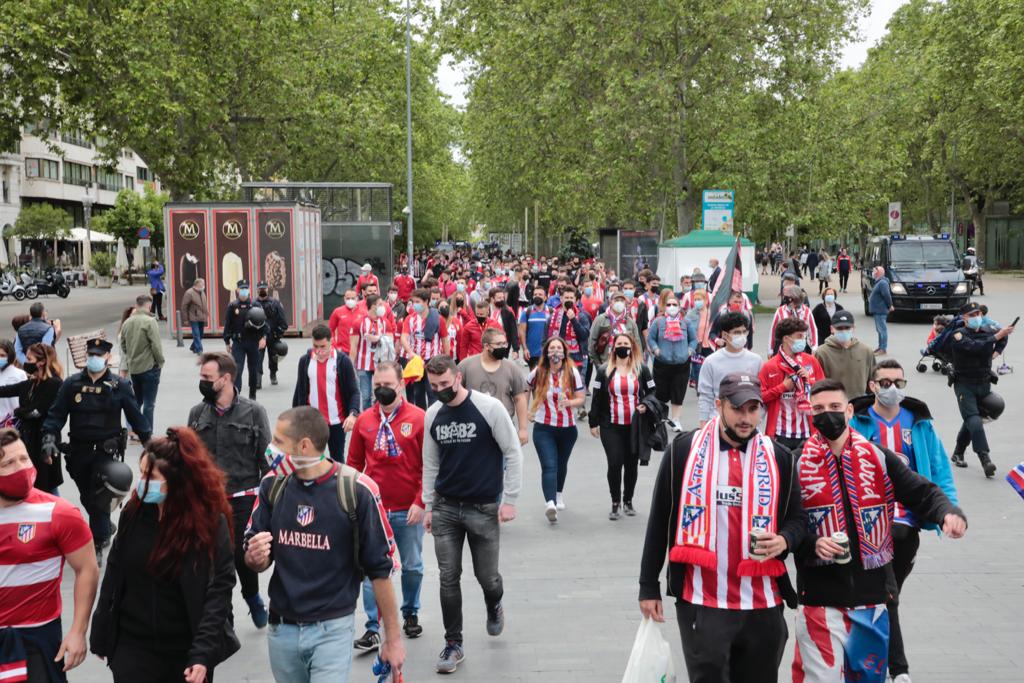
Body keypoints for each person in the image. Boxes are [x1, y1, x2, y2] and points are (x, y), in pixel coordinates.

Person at [791, 379, 967, 683]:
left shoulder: (877, 457)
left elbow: (922, 492)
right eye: (818, 409)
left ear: (848, 410)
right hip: (819, 600)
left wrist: (948, 513)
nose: (827, 415)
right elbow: (788, 523)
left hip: (871, 598)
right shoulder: (795, 462)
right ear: (810, 414)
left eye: (834, 407)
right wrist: (811, 543)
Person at [639, 374, 807, 683]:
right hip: (703, 602)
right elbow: (660, 519)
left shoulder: (780, 458)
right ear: (719, 406)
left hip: (763, 604)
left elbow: (799, 519)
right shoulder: (684, 451)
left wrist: (784, 540)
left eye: (753, 409)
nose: (746, 418)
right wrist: (648, 585)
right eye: (738, 408)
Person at [244, 406, 405, 683]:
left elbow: (380, 570)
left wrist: (392, 639)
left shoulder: (357, 490)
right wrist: (254, 557)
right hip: (281, 628)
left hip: (332, 629)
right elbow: (255, 554)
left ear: (304, 446)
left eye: (279, 442)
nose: (270, 449)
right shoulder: (272, 485)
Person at [90, 428, 239, 683]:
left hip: (186, 649)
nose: (142, 482)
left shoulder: (209, 523)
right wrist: (101, 630)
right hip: (132, 645)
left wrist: (202, 655)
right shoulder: (134, 512)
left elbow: (219, 590)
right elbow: (115, 571)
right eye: (142, 473)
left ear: (177, 480)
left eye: (151, 475)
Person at [849, 360, 959, 683]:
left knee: (885, 594)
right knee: (886, 593)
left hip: (907, 527)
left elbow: (939, 471)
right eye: (885, 383)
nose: (892, 388)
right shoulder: (857, 422)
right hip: (868, 525)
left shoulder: (919, 423)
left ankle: (876, 661)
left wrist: (949, 511)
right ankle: (898, 670)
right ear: (872, 386)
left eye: (898, 381)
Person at [421, 354, 523, 674]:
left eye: (445, 384)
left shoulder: (488, 408)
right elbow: (431, 463)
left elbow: (512, 451)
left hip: (483, 507)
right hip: (446, 508)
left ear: (458, 378)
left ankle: (494, 603)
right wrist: (428, 505)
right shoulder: (433, 415)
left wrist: (510, 499)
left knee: (486, 577)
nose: (440, 390)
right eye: (434, 385)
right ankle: (454, 643)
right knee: (448, 577)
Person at [0, 428, 98, 682]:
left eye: (23, 458)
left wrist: (78, 631)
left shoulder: (59, 513)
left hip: (37, 639)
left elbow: (87, 568)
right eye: (8, 463)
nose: (20, 468)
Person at [42, 338, 150, 562]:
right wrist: (49, 439)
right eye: (91, 354)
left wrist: (150, 445)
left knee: (98, 497)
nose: (94, 359)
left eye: (99, 355)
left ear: (108, 358)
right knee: (86, 496)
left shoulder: (119, 386)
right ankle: (105, 526)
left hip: (105, 453)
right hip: (78, 453)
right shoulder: (71, 384)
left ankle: (98, 542)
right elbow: (56, 415)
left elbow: (135, 417)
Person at [188, 351, 272, 628]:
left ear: (225, 379)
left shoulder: (254, 412)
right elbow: (190, 458)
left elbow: (266, 460)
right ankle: (224, 615)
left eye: (207, 378)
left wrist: (267, 500)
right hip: (208, 501)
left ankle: (252, 597)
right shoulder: (197, 413)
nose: (201, 382)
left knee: (241, 556)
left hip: (243, 499)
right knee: (211, 561)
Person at [348, 361, 427, 650]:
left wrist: (421, 502)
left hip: (409, 508)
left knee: (413, 566)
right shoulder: (365, 421)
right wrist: (354, 500)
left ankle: (410, 612)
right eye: (377, 385)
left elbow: (428, 466)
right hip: (374, 510)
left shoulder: (419, 418)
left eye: (388, 386)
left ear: (401, 385)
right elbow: (354, 464)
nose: (381, 390)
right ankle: (372, 626)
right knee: (373, 570)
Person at [589, 333, 656, 520]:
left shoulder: (642, 370)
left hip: (635, 426)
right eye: (619, 343)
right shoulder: (603, 371)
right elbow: (596, 398)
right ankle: (615, 502)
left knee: (631, 464)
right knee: (615, 462)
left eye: (626, 343)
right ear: (613, 347)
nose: (623, 347)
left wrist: (646, 405)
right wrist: (593, 422)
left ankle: (628, 500)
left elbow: (652, 392)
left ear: (632, 347)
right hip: (611, 425)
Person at [947, 301, 1015, 476]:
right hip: (965, 384)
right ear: (964, 318)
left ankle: (958, 452)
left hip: (984, 383)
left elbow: (1002, 338)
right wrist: (996, 337)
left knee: (975, 418)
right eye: (972, 315)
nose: (977, 317)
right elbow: (974, 347)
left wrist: (996, 352)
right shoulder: (958, 336)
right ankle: (985, 459)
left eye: (978, 314)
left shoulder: (987, 331)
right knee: (974, 420)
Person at [527, 336, 585, 523]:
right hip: (544, 427)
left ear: (564, 352)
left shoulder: (572, 372)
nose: (555, 352)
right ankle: (550, 503)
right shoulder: (539, 371)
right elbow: (524, 387)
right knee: (549, 465)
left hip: (567, 428)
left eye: (559, 348)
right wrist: (529, 410)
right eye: (552, 348)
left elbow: (581, 398)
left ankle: (558, 494)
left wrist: (569, 402)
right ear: (546, 352)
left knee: (561, 464)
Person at [0, 343, 63, 493]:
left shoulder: (53, 383)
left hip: (44, 441)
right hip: (28, 440)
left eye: (29, 359)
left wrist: (18, 412)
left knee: (47, 486)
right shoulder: (31, 383)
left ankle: (59, 513)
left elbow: (36, 411)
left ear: (41, 362)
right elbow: (5, 391)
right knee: (36, 484)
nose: (25, 362)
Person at [293, 324, 360, 461]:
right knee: (312, 461)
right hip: (313, 422)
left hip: (336, 421)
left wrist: (353, 414)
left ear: (331, 341)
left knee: (337, 459)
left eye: (322, 346)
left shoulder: (343, 361)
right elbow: (300, 391)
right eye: (315, 346)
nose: (318, 351)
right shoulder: (305, 361)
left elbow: (354, 391)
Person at [758, 318, 824, 454]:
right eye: (799, 336)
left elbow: (824, 390)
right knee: (783, 473)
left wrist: (809, 381)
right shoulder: (770, 366)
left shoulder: (810, 361)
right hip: (780, 433)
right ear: (786, 339)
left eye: (804, 336)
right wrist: (782, 387)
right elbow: (760, 397)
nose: (804, 340)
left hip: (808, 431)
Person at [458, 328, 529, 445]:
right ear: (486, 346)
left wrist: (523, 429)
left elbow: (520, 398)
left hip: (503, 426)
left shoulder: (511, 368)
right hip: (472, 427)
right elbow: (456, 394)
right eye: (498, 344)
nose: (503, 347)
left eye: (504, 343)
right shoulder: (466, 365)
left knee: (503, 462)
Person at [697, 312, 763, 426]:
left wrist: (758, 418)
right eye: (737, 332)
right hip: (719, 421)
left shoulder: (756, 360)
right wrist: (703, 423)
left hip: (746, 421)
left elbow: (761, 393)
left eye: (744, 332)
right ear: (725, 335)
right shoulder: (711, 361)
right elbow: (705, 395)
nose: (742, 336)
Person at [647, 292, 695, 428]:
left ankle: (676, 420)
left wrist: (689, 351)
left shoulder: (686, 322)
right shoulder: (658, 322)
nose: (672, 307)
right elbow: (651, 338)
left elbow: (693, 339)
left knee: (678, 392)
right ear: (664, 307)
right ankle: (660, 418)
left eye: (675, 304)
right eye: (669, 304)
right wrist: (656, 350)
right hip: (662, 363)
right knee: (660, 392)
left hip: (682, 363)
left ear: (679, 307)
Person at [119, 294, 165, 432]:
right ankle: (147, 432)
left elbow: (123, 345)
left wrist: (132, 357)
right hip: (150, 367)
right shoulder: (150, 321)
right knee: (149, 404)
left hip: (134, 368)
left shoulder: (127, 322)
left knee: (137, 402)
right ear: (149, 305)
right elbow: (156, 346)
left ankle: (134, 430)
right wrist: (160, 362)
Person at [223, 280, 268, 399]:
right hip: (238, 343)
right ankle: (236, 395)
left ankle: (252, 395)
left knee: (253, 369)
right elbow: (228, 325)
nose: (243, 291)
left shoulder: (256, 305)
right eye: (241, 289)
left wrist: (263, 338)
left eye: (245, 288)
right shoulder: (233, 306)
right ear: (237, 290)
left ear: (248, 290)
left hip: (253, 342)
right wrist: (227, 341)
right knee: (237, 369)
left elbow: (264, 324)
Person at [401, 288, 446, 408]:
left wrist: (445, 359)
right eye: (413, 301)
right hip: (416, 361)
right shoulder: (410, 319)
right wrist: (410, 353)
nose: (415, 305)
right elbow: (403, 338)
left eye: (418, 302)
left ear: (426, 302)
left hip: (433, 360)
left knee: (433, 392)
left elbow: (444, 339)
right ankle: (421, 419)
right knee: (418, 393)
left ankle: (433, 417)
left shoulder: (438, 319)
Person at [814, 310, 875, 398]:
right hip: (833, 403)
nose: (843, 331)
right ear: (832, 329)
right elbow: (817, 383)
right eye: (839, 328)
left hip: (859, 403)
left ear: (853, 328)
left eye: (847, 328)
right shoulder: (821, 353)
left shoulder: (866, 351)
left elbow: (872, 381)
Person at [350, 295, 393, 410]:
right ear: (373, 306)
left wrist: (378, 338)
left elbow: (390, 342)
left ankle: (380, 414)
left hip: (381, 364)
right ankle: (366, 417)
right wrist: (350, 365)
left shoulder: (385, 322)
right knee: (366, 395)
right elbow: (353, 345)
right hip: (363, 363)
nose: (383, 307)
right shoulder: (359, 322)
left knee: (381, 393)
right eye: (380, 304)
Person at [588, 291, 642, 369]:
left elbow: (637, 344)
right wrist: (598, 364)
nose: (619, 303)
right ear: (610, 302)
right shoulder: (600, 319)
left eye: (622, 301)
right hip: (606, 364)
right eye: (616, 300)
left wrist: (637, 363)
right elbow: (592, 342)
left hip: (627, 365)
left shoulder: (630, 322)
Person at [256, 280, 288, 387]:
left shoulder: (275, 303)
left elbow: (283, 322)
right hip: (259, 337)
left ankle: (273, 374)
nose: (262, 290)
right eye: (260, 289)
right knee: (258, 358)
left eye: (264, 289)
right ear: (257, 290)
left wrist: (277, 333)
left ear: (267, 289)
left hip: (273, 336)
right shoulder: (253, 304)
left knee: (273, 357)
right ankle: (258, 378)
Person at [767, 286, 817, 355]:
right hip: (784, 346)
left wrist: (814, 347)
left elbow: (813, 330)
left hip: (800, 346)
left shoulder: (806, 311)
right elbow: (773, 331)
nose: (786, 299)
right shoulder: (780, 311)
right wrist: (770, 349)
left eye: (788, 297)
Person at [518, 286, 552, 369]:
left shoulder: (552, 312)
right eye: (535, 294)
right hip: (532, 353)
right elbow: (522, 332)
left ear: (545, 297)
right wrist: (525, 349)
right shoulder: (526, 312)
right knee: (534, 379)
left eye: (540, 294)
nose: (537, 296)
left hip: (548, 353)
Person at [868, 265, 894, 356]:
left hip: (880, 310)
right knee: (879, 330)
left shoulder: (882, 283)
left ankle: (883, 348)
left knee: (882, 330)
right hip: (877, 310)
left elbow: (887, 295)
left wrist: (890, 305)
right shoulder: (879, 282)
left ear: (878, 272)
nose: (872, 272)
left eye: (874, 271)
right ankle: (880, 347)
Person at [0, 339, 27, 426]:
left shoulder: (19, 374)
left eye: (2, 355)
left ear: (10, 356)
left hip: (13, 423)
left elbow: (25, 400)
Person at [180, 278, 209, 355]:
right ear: (197, 285)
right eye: (202, 284)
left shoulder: (202, 292)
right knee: (196, 334)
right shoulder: (189, 293)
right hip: (193, 317)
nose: (204, 286)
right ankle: (199, 350)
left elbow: (204, 305)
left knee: (201, 334)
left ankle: (193, 346)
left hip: (201, 317)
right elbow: (184, 306)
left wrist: (206, 314)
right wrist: (185, 319)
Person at [329, 289, 363, 354]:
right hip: (342, 350)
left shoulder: (363, 312)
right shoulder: (337, 311)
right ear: (344, 298)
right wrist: (334, 344)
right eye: (348, 298)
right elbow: (331, 329)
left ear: (357, 298)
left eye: (353, 298)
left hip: (359, 350)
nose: (350, 300)